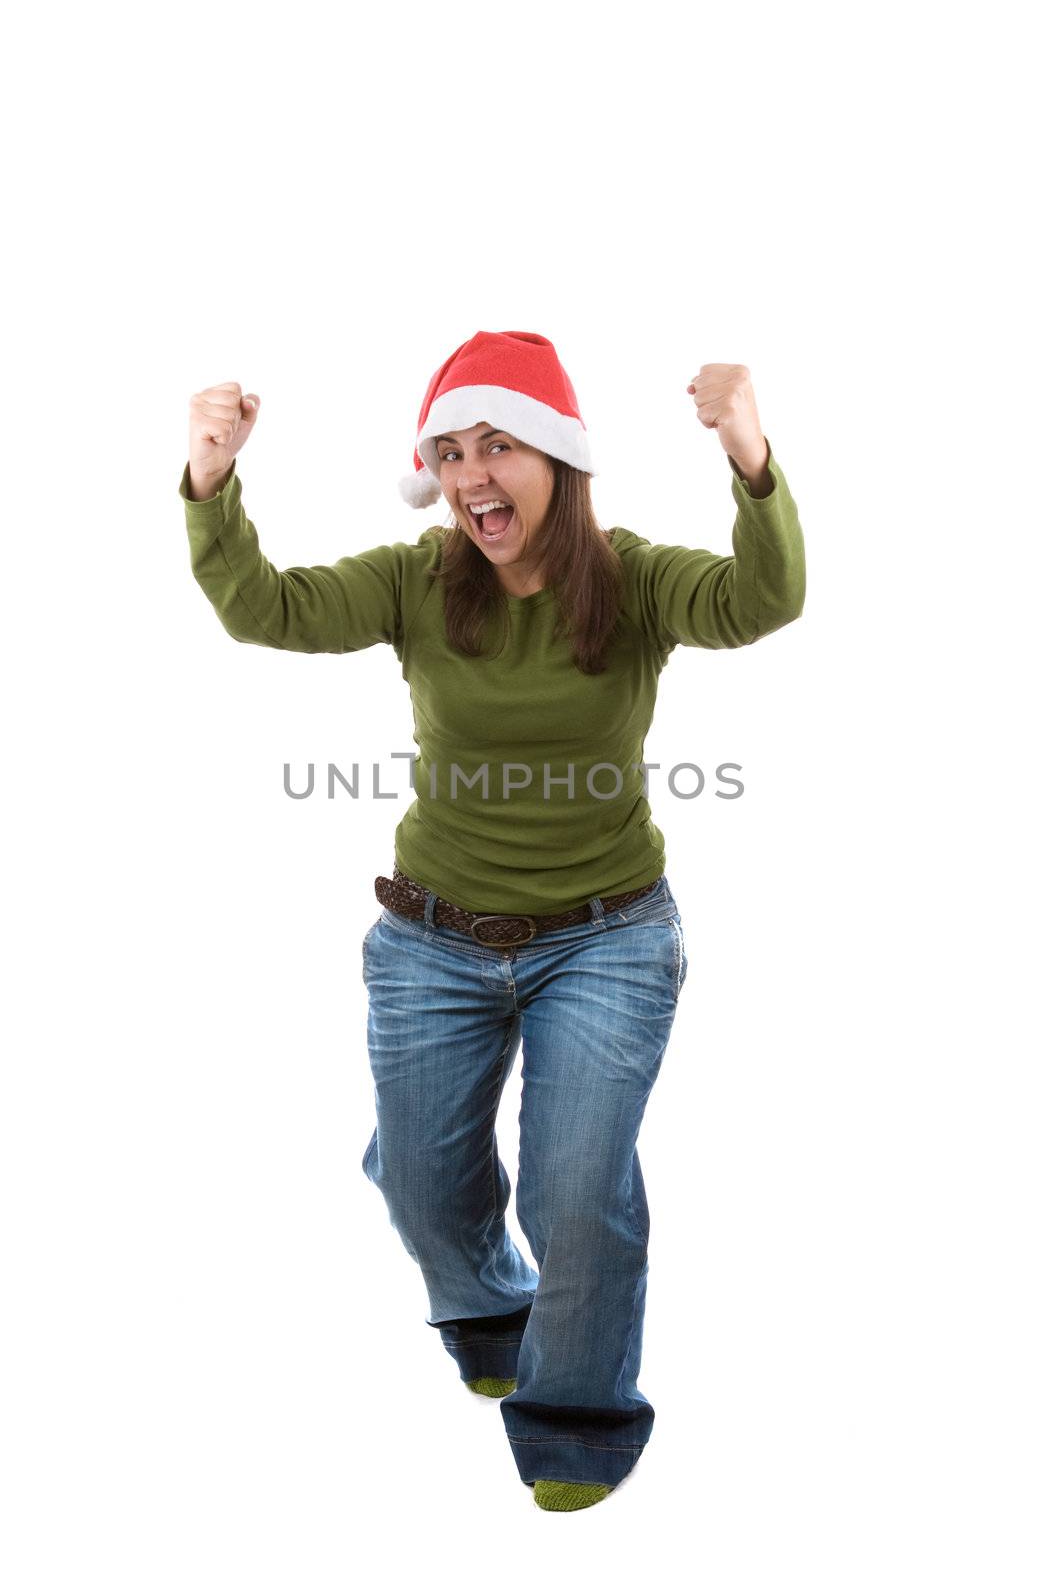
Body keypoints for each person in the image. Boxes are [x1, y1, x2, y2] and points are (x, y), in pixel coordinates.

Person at [179, 330, 806, 1513]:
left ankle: (575, 1408)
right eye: (451, 451)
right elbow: (268, 609)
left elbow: (759, 601)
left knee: (574, 1187)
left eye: (497, 446)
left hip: (604, 940)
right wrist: (213, 481)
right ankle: (480, 1299)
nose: (470, 475)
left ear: (557, 462)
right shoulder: (420, 578)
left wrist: (750, 458)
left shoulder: (629, 578)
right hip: (431, 940)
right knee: (422, 1182)